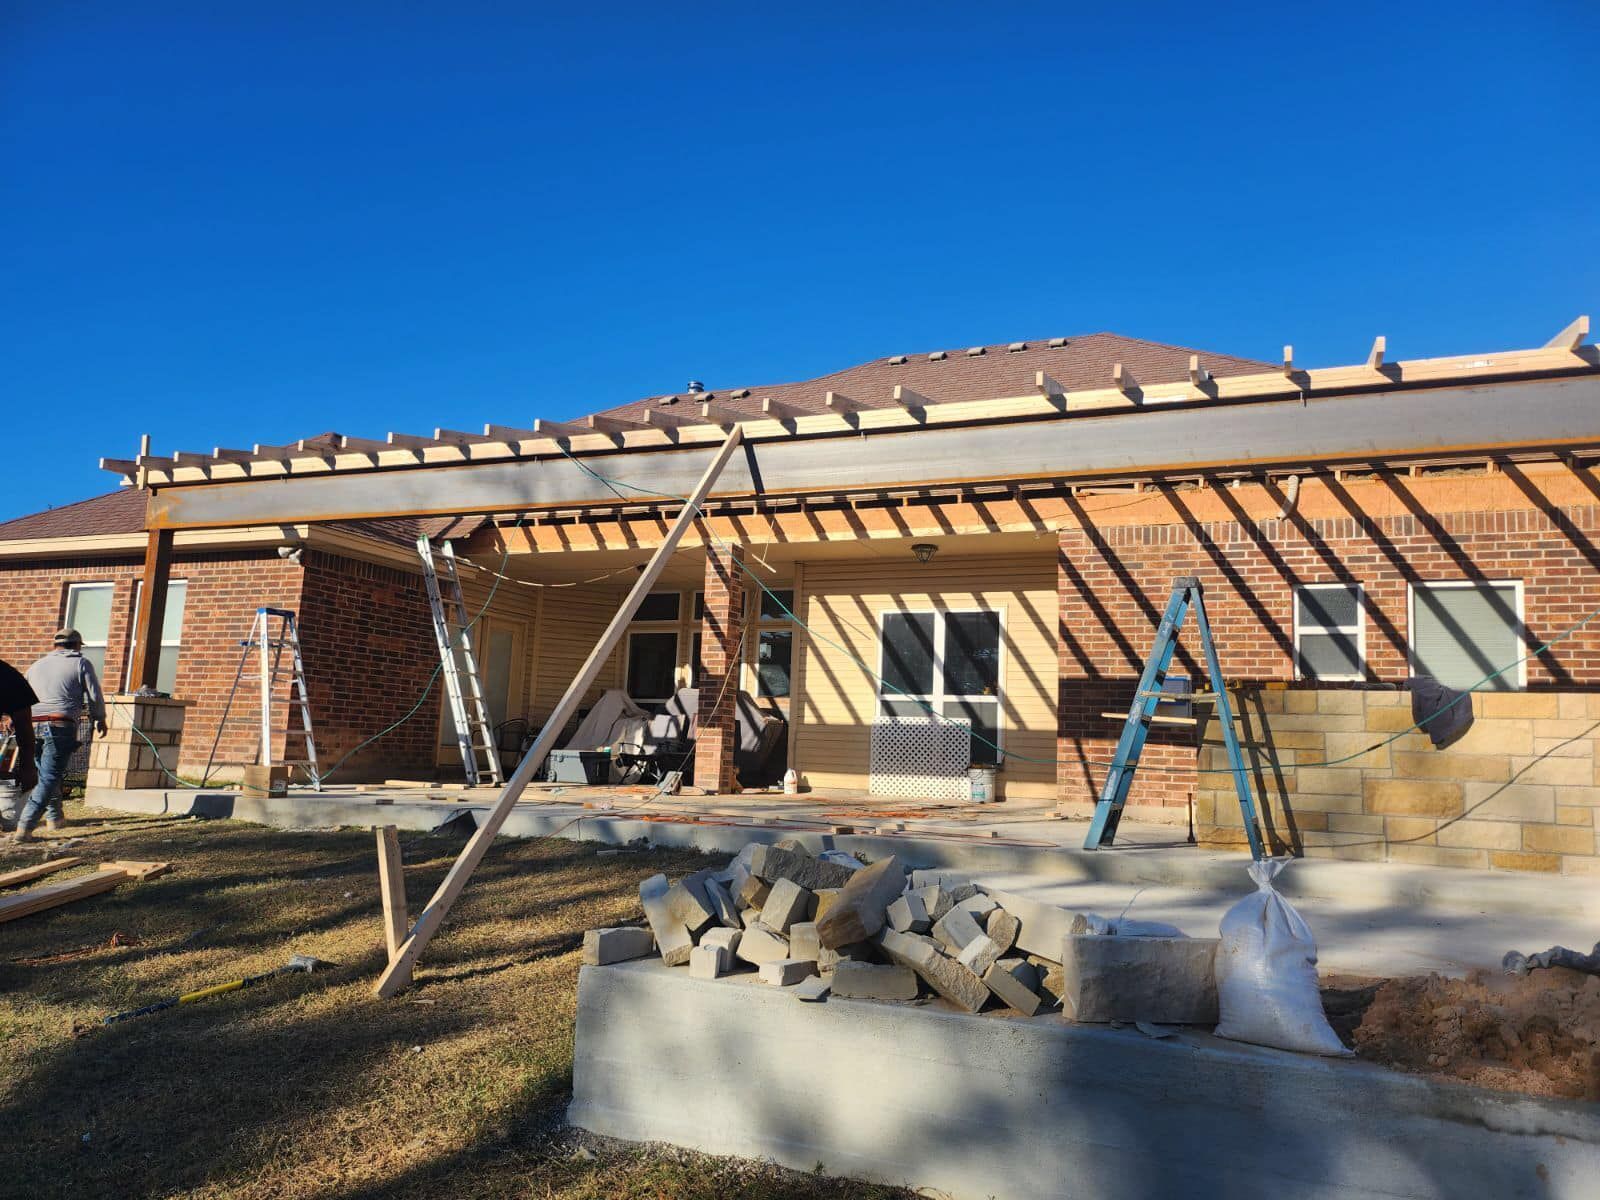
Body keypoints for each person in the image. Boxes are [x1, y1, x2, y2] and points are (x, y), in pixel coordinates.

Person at [16, 628, 106, 842]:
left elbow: (20, 696)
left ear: (55, 645)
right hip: (59, 724)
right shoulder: (81, 663)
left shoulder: (36, 666)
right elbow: (94, 694)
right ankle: (25, 825)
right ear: (76, 645)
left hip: (31, 724)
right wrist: (99, 717)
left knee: (46, 773)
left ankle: (55, 818)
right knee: (49, 776)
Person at [1, 658, 40, 830]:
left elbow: (23, 723)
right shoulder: (6, 674)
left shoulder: (5, 675)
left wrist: (28, 766)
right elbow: (23, 723)